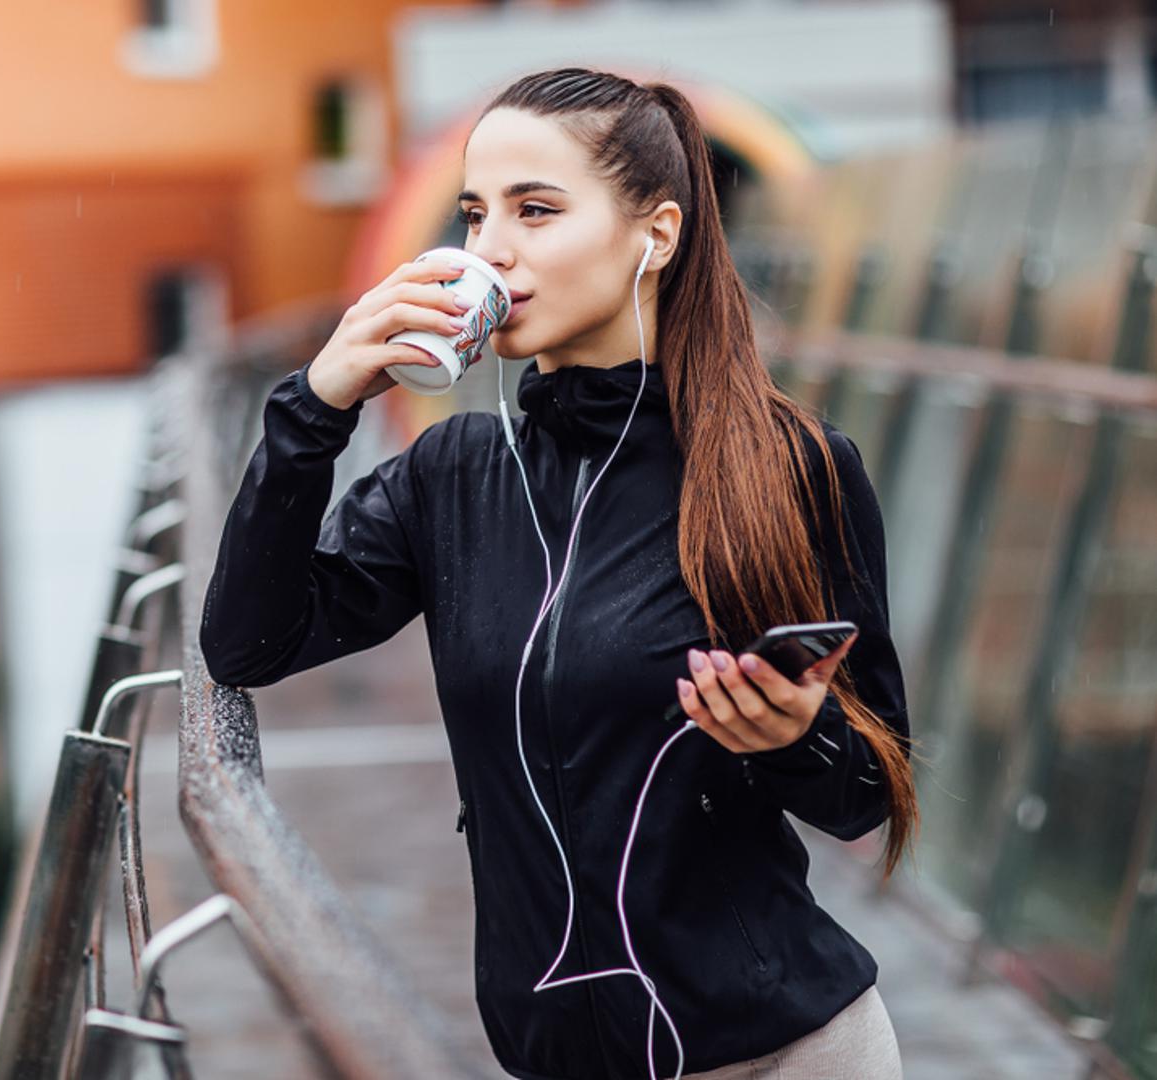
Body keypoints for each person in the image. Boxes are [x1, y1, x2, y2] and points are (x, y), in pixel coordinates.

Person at [199, 66, 918, 1080]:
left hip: (788, 1053)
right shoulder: (449, 476)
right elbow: (248, 642)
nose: (488, 247)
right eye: (473, 213)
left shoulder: (789, 466)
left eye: (535, 211)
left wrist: (795, 737)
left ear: (655, 235)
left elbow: (868, 793)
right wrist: (315, 408)